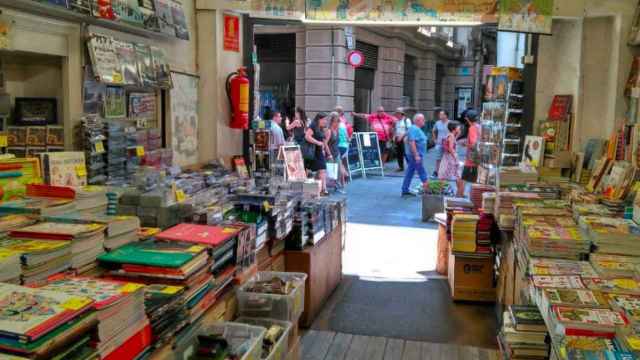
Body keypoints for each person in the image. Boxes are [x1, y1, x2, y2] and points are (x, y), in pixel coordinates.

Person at [305, 113, 333, 196]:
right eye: (324, 119)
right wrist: (317, 143)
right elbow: (307, 136)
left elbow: (323, 141)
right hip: (312, 152)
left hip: (319, 152)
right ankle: (319, 190)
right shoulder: (313, 126)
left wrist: (326, 151)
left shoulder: (320, 128)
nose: (325, 121)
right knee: (315, 170)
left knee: (322, 169)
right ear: (319, 119)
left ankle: (323, 189)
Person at [401, 113, 429, 197]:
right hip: (415, 155)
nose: (424, 121)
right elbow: (411, 142)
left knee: (410, 172)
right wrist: (416, 155)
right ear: (417, 121)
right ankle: (429, 190)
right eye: (423, 119)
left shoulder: (414, 128)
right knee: (422, 172)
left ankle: (405, 190)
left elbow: (407, 139)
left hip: (414, 155)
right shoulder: (414, 129)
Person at [459, 110, 481, 197]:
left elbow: (473, 144)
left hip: (471, 159)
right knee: (475, 179)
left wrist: (464, 144)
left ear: (467, 119)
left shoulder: (472, 128)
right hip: (477, 158)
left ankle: (459, 196)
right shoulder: (479, 126)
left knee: (463, 179)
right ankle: (472, 196)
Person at [326, 113, 346, 193]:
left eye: (338, 121)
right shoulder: (329, 131)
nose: (338, 123)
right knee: (331, 172)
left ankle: (338, 186)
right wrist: (329, 154)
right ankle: (330, 187)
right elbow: (325, 143)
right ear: (332, 122)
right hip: (330, 154)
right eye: (336, 121)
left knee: (339, 171)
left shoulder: (336, 130)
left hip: (336, 153)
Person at [432, 109, 450, 177]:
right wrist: (434, 139)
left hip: (447, 144)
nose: (440, 115)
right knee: (438, 158)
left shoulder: (450, 123)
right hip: (439, 143)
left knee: (447, 158)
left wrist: (453, 139)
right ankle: (436, 171)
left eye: (442, 114)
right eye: (440, 114)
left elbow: (456, 131)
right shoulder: (437, 123)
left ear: (446, 115)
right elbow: (433, 131)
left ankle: (446, 172)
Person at [393, 107, 412, 172]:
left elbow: (409, 130)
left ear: (401, 114)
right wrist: (394, 136)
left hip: (405, 139)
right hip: (397, 139)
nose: (396, 115)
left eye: (397, 114)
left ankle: (411, 167)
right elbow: (396, 129)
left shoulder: (407, 120)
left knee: (406, 153)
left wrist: (402, 136)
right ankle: (401, 167)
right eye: (396, 114)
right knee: (399, 153)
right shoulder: (397, 121)